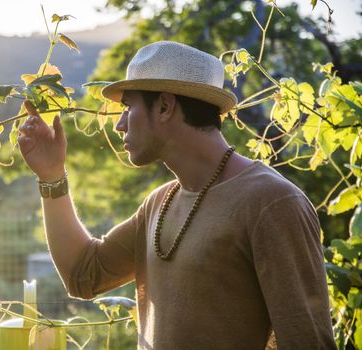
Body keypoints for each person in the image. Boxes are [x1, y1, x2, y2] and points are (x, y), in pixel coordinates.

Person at [18, 41, 335, 349]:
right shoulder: (159, 202)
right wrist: (51, 176)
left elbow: (307, 340)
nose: (119, 125)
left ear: (165, 106)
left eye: (128, 107)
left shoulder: (272, 203)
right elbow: (84, 275)